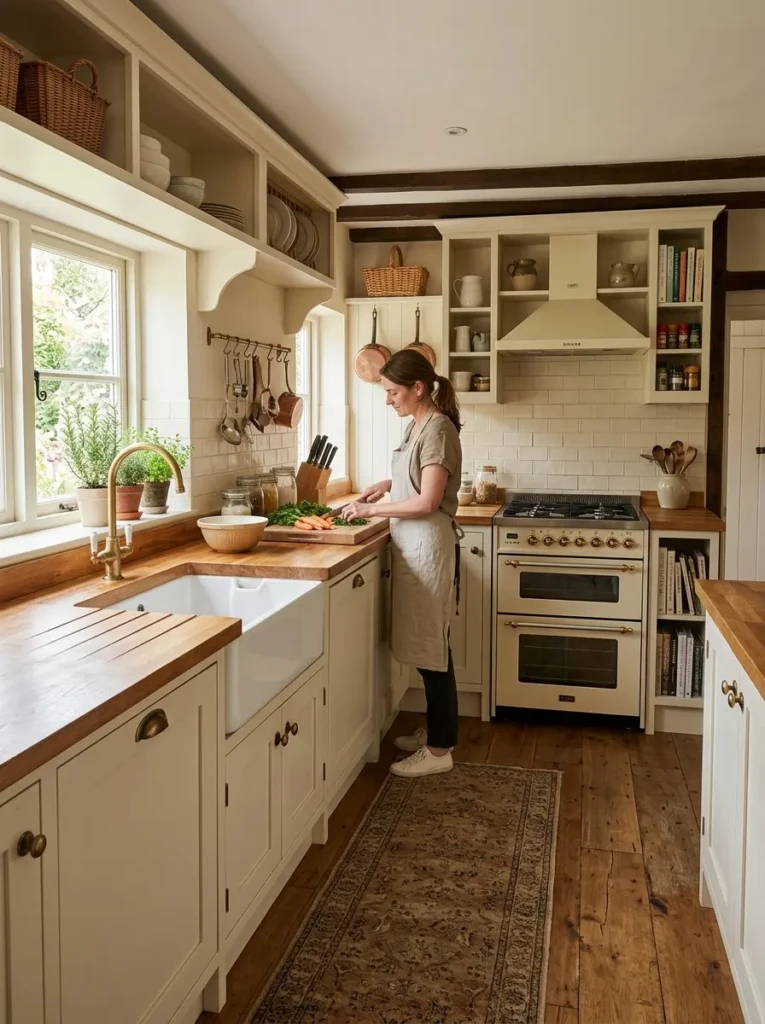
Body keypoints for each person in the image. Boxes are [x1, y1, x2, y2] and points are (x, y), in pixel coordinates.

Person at [341, 349, 463, 778]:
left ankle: (440, 750)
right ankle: (435, 733)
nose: (388, 400)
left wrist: (372, 511)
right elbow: (420, 476)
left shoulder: (439, 429)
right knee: (428, 645)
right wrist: (386, 485)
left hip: (427, 546)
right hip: (413, 545)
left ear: (417, 388)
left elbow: (430, 500)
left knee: (433, 650)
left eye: (393, 392)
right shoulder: (420, 424)